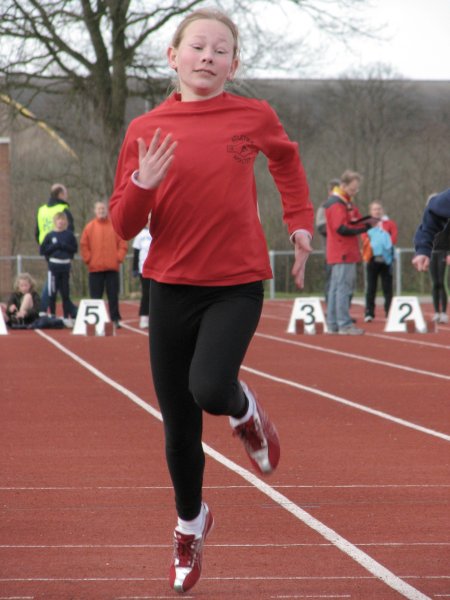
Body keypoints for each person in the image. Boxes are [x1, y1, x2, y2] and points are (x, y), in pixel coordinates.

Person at [108, 8, 314, 594]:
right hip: (170, 284)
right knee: (179, 425)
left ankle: (246, 411)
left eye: (220, 50)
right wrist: (143, 183)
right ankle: (190, 523)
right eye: (196, 47)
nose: (207, 56)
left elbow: (287, 161)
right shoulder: (145, 129)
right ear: (172, 57)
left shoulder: (253, 116)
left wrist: (298, 222)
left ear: (234, 63)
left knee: (209, 388)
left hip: (236, 282)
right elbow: (124, 224)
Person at [324, 170, 375, 335]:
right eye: (353, 189)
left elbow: (349, 222)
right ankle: (343, 323)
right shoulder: (337, 203)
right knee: (342, 288)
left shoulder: (344, 202)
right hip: (343, 251)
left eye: (356, 189)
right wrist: (364, 227)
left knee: (336, 288)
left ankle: (333, 323)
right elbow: (341, 227)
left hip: (340, 251)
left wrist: (364, 222)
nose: (354, 192)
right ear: (343, 185)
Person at [80, 201, 128, 328]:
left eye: (103, 209)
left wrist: (118, 258)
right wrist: (88, 259)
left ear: (107, 210)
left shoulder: (114, 226)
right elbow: (84, 245)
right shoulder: (89, 227)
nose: (101, 211)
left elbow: (123, 243)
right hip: (95, 269)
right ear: (95, 211)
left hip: (112, 268)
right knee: (96, 296)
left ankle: (115, 319)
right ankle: (96, 320)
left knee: (113, 296)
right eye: (99, 209)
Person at [35, 183, 76, 317]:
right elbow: (70, 230)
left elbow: (37, 231)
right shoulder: (63, 208)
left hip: (48, 248)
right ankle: (43, 308)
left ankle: (65, 310)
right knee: (53, 286)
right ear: (60, 195)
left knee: (58, 286)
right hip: (55, 250)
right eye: (66, 193)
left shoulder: (42, 209)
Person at [412, 189, 450, 322]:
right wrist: (423, 248)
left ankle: (443, 312)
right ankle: (438, 312)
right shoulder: (442, 202)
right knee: (437, 283)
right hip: (436, 253)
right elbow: (433, 213)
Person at [361, 201, 398, 322]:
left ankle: (389, 312)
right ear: (370, 211)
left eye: (379, 209)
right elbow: (365, 238)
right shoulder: (367, 224)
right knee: (371, 286)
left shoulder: (390, 224)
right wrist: (376, 245)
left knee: (388, 287)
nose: (377, 211)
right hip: (372, 259)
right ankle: (369, 312)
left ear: (382, 210)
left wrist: (383, 246)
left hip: (386, 259)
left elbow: (393, 238)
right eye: (374, 209)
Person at [40, 212, 78, 326]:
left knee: (65, 293)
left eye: (62, 220)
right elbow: (43, 251)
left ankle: (67, 316)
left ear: (65, 222)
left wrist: (64, 246)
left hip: (65, 267)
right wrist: (55, 247)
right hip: (53, 267)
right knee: (52, 292)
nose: (60, 222)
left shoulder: (69, 235)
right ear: (55, 222)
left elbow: (74, 249)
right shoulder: (50, 235)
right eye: (58, 220)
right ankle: (52, 315)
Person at [316, 178, 340, 305]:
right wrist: (337, 227)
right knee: (331, 281)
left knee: (343, 283)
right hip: (330, 251)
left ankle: (342, 312)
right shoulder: (324, 206)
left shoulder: (344, 205)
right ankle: (330, 311)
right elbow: (320, 226)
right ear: (330, 191)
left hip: (344, 252)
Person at [132, 216, 152, 328]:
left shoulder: (157, 232)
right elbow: (136, 253)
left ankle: (155, 317)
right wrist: (134, 268)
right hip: (143, 269)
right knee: (146, 293)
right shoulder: (140, 236)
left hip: (156, 270)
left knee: (156, 294)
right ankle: (144, 316)